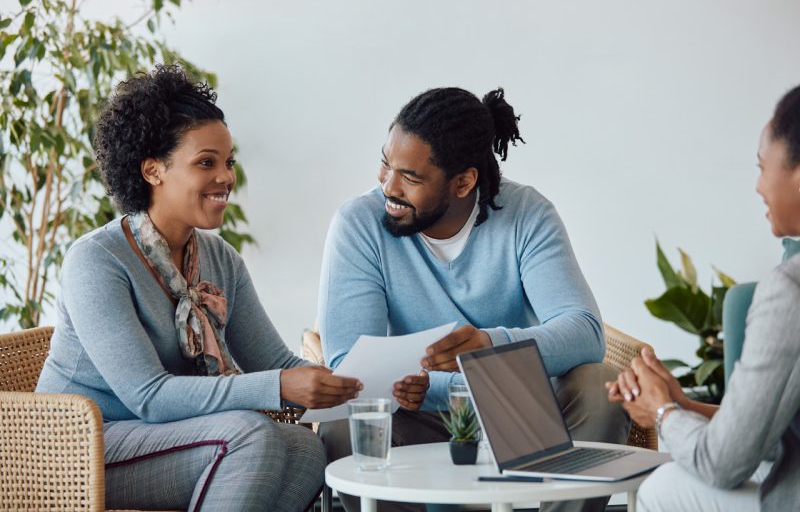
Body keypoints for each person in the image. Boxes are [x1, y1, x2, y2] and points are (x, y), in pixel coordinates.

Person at [35, 65, 364, 512]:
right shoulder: (96, 261)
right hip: (76, 449)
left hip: (164, 439)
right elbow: (148, 396)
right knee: (247, 435)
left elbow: (276, 364)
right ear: (153, 170)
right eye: (206, 162)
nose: (226, 177)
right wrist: (281, 385)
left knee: (303, 448)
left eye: (228, 162)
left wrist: (361, 382)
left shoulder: (219, 257)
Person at [317, 87, 629, 512]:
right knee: (343, 428)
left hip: (516, 406)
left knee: (600, 386)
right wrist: (436, 388)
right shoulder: (359, 224)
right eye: (386, 164)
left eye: (410, 177)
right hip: (417, 411)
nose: (387, 187)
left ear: (464, 182)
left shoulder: (527, 214)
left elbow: (585, 332)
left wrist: (488, 346)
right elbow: (349, 369)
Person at [606, 84, 800, 511]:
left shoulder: (790, 292)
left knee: (663, 487)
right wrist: (683, 405)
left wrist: (661, 414)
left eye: (762, 166)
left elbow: (723, 464)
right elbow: (766, 434)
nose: (757, 186)